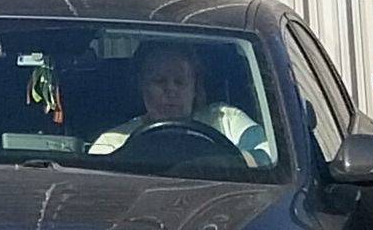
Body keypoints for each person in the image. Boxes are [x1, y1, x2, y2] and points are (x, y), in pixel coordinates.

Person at [90, 42, 265, 158]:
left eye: (180, 82)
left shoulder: (226, 121)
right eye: (159, 81)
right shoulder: (113, 142)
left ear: (195, 88)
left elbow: (269, 154)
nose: (171, 90)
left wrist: (222, 163)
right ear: (141, 86)